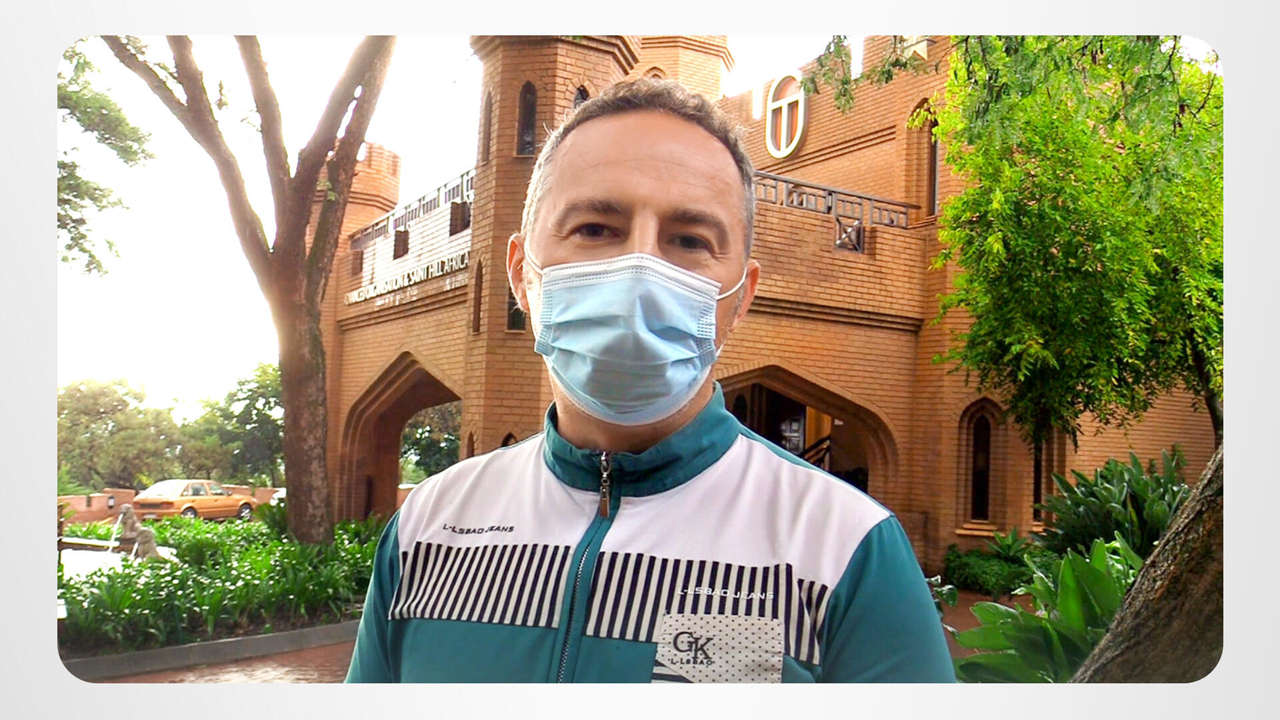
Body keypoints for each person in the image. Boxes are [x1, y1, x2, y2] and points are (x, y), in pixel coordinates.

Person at [346, 78, 955, 683]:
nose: (640, 267)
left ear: (741, 297)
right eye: (595, 228)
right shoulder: (429, 528)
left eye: (689, 240)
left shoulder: (844, 550)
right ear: (520, 274)